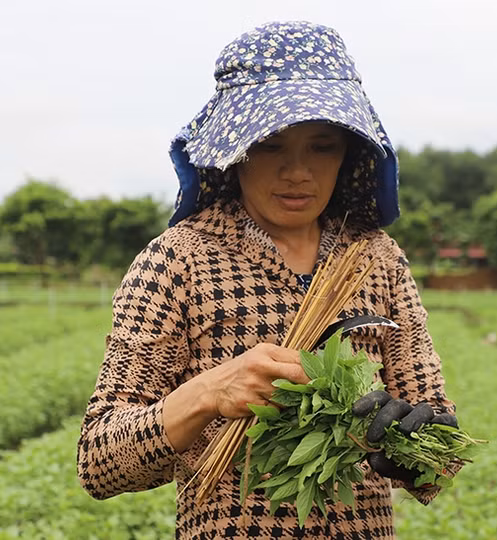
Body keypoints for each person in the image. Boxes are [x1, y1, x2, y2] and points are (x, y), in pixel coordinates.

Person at [77, 20, 462, 539]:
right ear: (235, 150)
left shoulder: (377, 259)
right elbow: (99, 461)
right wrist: (208, 393)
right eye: (272, 145)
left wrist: (410, 447)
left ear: (348, 154)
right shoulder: (179, 260)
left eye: (322, 146)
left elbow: (441, 460)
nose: (298, 171)